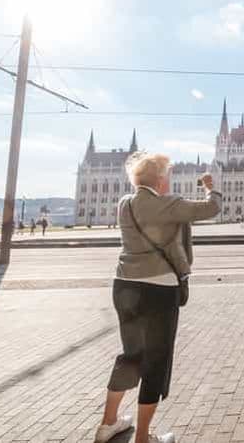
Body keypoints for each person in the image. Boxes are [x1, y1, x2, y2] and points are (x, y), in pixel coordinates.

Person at [95, 152, 221, 443]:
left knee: (131, 356)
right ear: (162, 179)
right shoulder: (168, 204)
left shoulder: (124, 203)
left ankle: (107, 424)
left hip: (124, 286)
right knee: (156, 361)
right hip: (158, 289)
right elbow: (211, 208)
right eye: (168, 175)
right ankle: (142, 437)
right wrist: (211, 187)